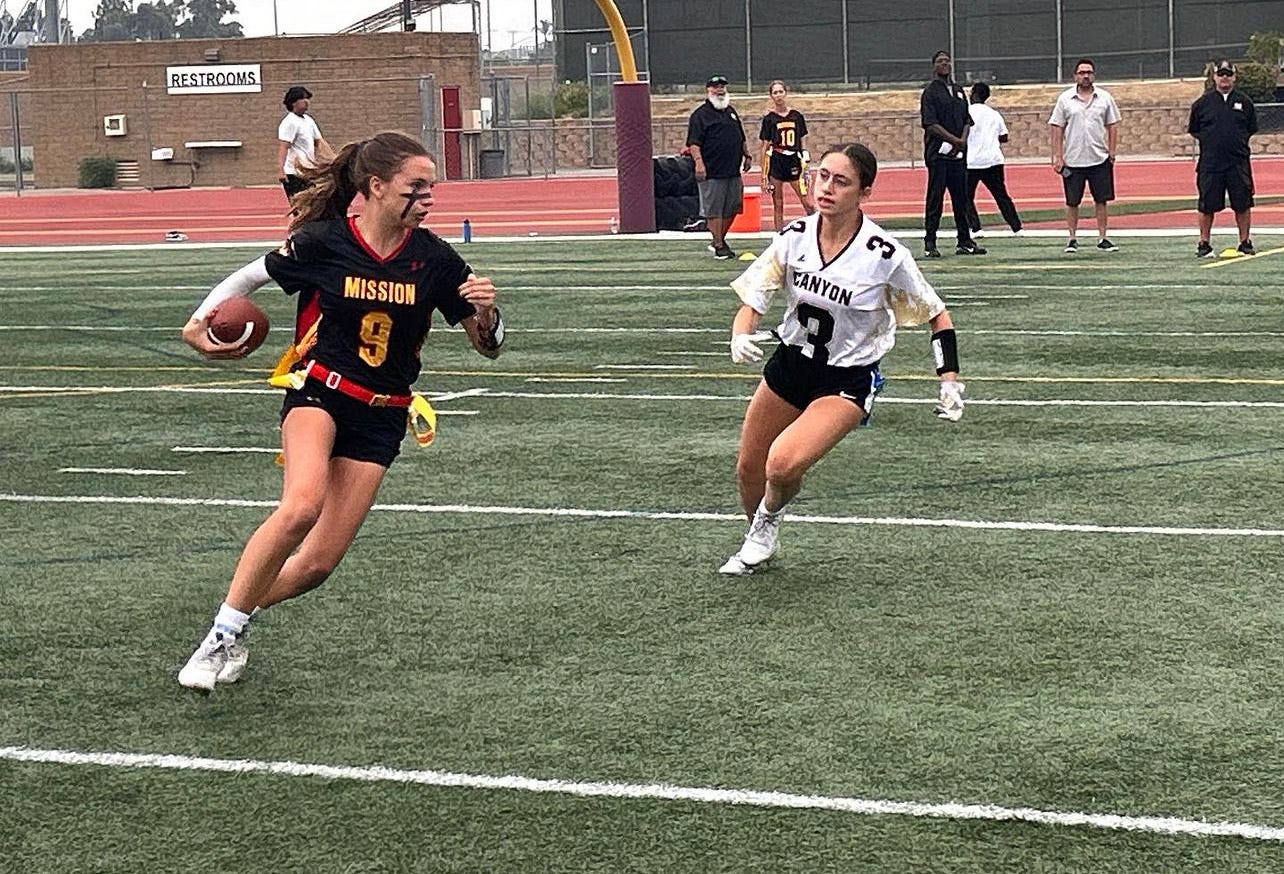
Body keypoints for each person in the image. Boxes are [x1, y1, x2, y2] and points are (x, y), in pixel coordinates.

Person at [176, 131, 505, 692]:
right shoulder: (324, 242)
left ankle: (234, 612)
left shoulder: (435, 259)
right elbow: (251, 275)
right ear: (375, 187)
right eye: (415, 187)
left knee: (316, 566)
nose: (428, 198)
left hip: (382, 413)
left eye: (431, 187)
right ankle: (221, 638)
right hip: (320, 391)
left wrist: (488, 312)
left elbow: (489, 345)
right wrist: (197, 321)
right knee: (300, 506)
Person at [720, 143, 965, 576]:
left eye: (841, 181)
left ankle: (768, 520)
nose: (826, 187)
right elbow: (754, 297)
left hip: (845, 378)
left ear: (864, 192)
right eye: (822, 175)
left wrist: (949, 378)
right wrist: (740, 333)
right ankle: (758, 533)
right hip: (791, 364)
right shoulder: (794, 237)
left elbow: (936, 314)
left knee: (783, 462)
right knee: (749, 469)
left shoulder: (885, 255)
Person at [1049, 59, 1121, 253]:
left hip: (1099, 157)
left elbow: (1112, 125)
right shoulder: (1065, 99)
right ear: (1075, 76)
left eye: (1089, 72)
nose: (1085, 76)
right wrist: (1058, 155)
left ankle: (1103, 237)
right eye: (1082, 72)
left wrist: (1112, 152)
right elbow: (1057, 127)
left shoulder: (1105, 98)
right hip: (1073, 159)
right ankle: (1072, 238)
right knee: (1072, 201)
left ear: (1094, 75)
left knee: (1101, 200)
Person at [1188, 60, 1258, 258]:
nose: (1225, 78)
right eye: (1221, 74)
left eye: (1228, 74)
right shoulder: (1202, 104)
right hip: (1211, 164)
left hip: (1238, 162)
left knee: (1242, 203)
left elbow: (1251, 128)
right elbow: (1194, 129)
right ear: (1214, 77)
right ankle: (1204, 243)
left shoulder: (1245, 102)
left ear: (1234, 77)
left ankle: (1244, 242)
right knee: (1206, 204)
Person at [920, 50, 984, 258]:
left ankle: (964, 240)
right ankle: (930, 242)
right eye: (940, 61)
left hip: (958, 156)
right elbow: (930, 124)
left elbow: (967, 119)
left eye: (947, 61)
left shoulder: (958, 90)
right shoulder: (930, 92)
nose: (945, 64)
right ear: (934, 66)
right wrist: (952, 140)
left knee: (961, 198)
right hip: (938, 155)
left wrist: (962, 141)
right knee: (935, 198)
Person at [687, 74, 754, 260]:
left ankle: (719, 239)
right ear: (708, 90)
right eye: (716, 87)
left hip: (732, 169)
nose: (720, 90)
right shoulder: (700, 115)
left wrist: (747, 154)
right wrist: (699, 163)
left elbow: (740, 136)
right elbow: (693, 143)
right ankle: (718, 245)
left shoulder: (731, 112)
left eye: (722, 86)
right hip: (712, 170)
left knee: (733, 207)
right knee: (714, 209)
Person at [964, 82, 1023, 238]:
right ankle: (1016, 227)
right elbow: (1004, 136)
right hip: (993, 160)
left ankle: (976, 228)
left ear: (974, 94)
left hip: (971, 161)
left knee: (966, 197)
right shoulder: (994, 114)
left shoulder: (966, 112)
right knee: (1001, 195)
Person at [759, 80, 815, 232]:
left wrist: (805, 160)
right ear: (771, 96)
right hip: (777, 160)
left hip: (794, 161)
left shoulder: (796, 116)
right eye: (775, 92)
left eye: (780, 92)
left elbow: (803, 138)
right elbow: (765, 145)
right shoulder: (769, 119)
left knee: (807, 201)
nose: (778, 95)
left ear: (786, 92)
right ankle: (779, 236)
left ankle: (816, 230)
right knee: (778, 203)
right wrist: (764, 174)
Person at [278, 85, 333, 200]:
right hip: (294, 173)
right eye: (303, 99)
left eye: (307, 98)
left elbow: (319, 142)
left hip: (309, 171)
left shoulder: (309, 120)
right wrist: (281, 170)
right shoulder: (289, 122)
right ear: (293, 102)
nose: (306, 102)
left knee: (314, 205)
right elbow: (284, 147)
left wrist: (333, 159)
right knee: (301, 207)